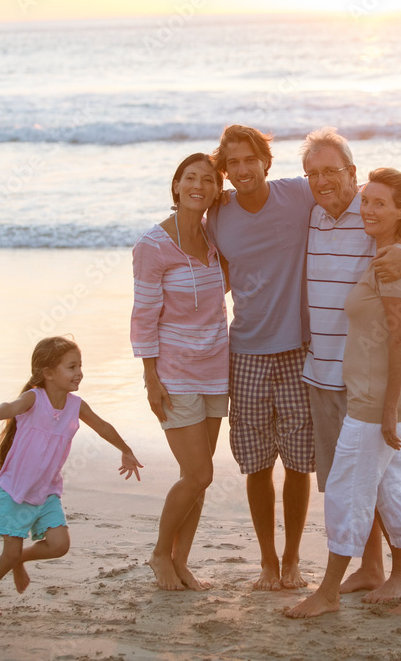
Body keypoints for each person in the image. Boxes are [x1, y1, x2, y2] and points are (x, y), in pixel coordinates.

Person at [299, 127, 401, 602]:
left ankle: (329, 592)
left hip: (375, 393)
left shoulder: (394, 254)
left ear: (353, 175)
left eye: (332, 171)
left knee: (349, 489)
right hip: (338, 375)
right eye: (313, 173)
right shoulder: (317, 216)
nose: (322, 181)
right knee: (387, 488)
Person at [205, 125, 317, 591]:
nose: (243, 169)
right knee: (254, 465)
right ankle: (267, 562)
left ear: (266, 161)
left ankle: (292, 559)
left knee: (298, 463)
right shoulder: (218, 215)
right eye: (233, 163)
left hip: (298, 350)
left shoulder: (299, 195)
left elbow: (356, 201)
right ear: (225, 171)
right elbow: (214, 274)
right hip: (246, 351)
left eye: (250, 159)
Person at [0, 336, 142, 616]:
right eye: (71, 367)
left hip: (47, 490)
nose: (79, 373)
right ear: (48, 373)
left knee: (59, 545)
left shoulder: (75, 405)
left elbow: (102, 426)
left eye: (80, 366)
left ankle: (19, 560)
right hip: (16, 490)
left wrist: (126, 449)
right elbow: (9, 408)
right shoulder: (34, 399)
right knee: (8, 553)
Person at [131, 152, 228, 591]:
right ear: (175, 186)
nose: (199, 186)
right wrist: (151, 378)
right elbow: (143, 315)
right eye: (191, 178)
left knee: (201, 476)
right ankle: (158, 555)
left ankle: (181, 560)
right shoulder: (152, 247)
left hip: (216, 368)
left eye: (208, 180)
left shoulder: (213, 238)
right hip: (174, 373)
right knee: (199, 474)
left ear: (215, 190)